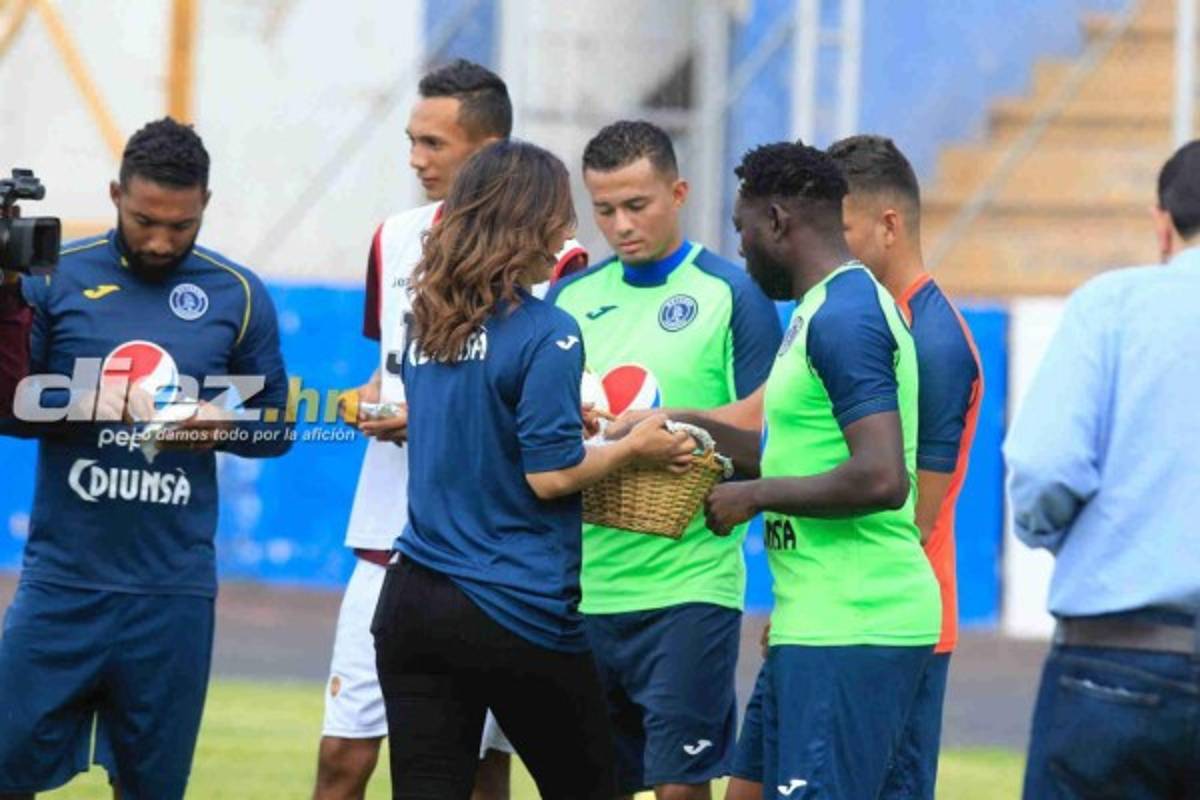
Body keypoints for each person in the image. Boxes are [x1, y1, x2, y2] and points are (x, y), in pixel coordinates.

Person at [372, 138, 695, 799]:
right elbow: (548, 477)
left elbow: (473, 428)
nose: (569, 232)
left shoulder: (429, 320)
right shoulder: (552, 330)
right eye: (561, 212)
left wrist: (549, 424)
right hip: (512, 604)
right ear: (526, 220)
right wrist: (633, 447)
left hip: (413, 600)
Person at [316, 59, 584, 800]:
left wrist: (436, 415)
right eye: (412, 140)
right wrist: (366, 402)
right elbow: (392, 369)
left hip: (494, 559)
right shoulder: (395, 238)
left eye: (434, 144)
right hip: (393, 541)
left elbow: (545, 399)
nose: (416, 160)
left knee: (481, 769)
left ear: (491, 150)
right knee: (343, 756)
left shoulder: (555, 260)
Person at [0, 118, 292, 799]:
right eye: (144, 221)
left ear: (205, 206)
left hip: (172, 596)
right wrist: (80, 401)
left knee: (154, 789)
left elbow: (278, 427)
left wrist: (222, 426)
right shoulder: (55, 279)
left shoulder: (238, 295)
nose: (161, 239)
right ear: (114, 196)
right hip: (63, 586)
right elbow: (9, 410)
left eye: (181, 226)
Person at [725, 135, 984, 800]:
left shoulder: (906, 330)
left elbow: (895, 490)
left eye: (842, 222)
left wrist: (754, 496)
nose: (741, 247)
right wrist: (663, 430)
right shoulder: (826, 310)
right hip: (818, 610)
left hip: (865, 615)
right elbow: (775, 433)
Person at [544, 120, 781, 800]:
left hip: (689, 588)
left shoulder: (733, 296)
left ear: (677, 192)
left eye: (637, 205)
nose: (620, 224)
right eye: (604, 209)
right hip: (585, 587)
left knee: (680, 788)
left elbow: (769, 442)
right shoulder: (572, 299)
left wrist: (682, 440)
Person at [1005, 140, 1200, 798]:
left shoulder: (1112, 306)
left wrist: (1073, 536)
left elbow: (1044, 466)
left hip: (1119, 655)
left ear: (1162, 223)